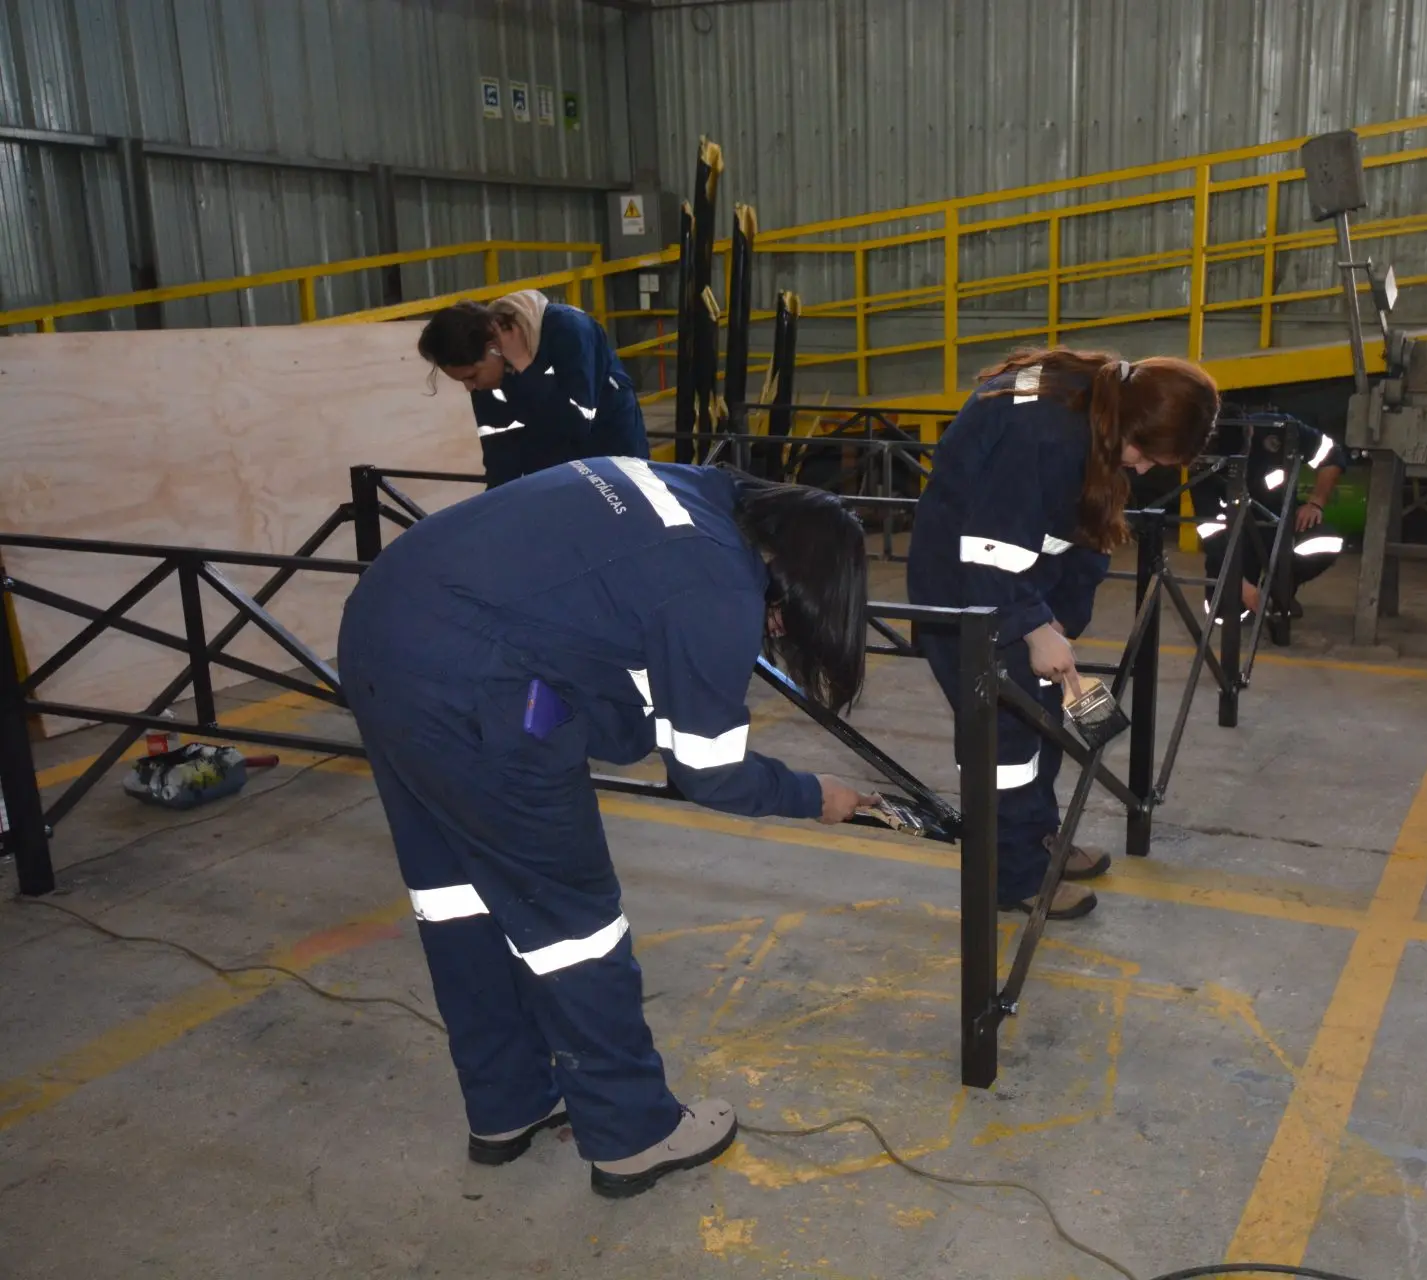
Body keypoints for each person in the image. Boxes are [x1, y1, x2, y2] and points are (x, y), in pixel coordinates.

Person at [337, 458, 877, 1198]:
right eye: (787, 619)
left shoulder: (683, 488)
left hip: (384, 634)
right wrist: (815, 795)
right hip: (475, 684)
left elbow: (598, 650)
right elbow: (709, 771)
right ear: (788, 579)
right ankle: (633, 1133)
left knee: (457, 898)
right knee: (574, 928)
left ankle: (508, 1104)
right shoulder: (718, 585)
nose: (776, 630)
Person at [907, 348, 1218, 920]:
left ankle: (1039, 844)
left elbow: (1079, 528)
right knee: (1006, 747)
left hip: (1021, 587)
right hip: (969, 594)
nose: (1140, 471)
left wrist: (1060, 620)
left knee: (1043, 722)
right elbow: (988, 549)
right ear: (1131, 421)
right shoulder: (1045, 435)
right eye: (1145, 455)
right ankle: (1014, 878)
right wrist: (1031, 626)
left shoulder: (1102, 398)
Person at [417, 290, 647, 488]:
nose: (470, 387)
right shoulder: (487, 375)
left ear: (494, 348)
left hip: (615, 467)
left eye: (471, 376)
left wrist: (525, 368)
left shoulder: (569, 330)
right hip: (558, 478)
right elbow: (499, 452)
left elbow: (576, 424)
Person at [1194, 413, 1350, 642]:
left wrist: (1316, 502)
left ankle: (1279, 588)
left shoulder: (1279, 429)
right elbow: (1212, 535)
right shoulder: (1203, 462)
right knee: (1225, 615)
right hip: (1237, 539)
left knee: (1326, 542)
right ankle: (1254, 594)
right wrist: (1239, 584)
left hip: (1280, 526)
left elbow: (1333, 455)